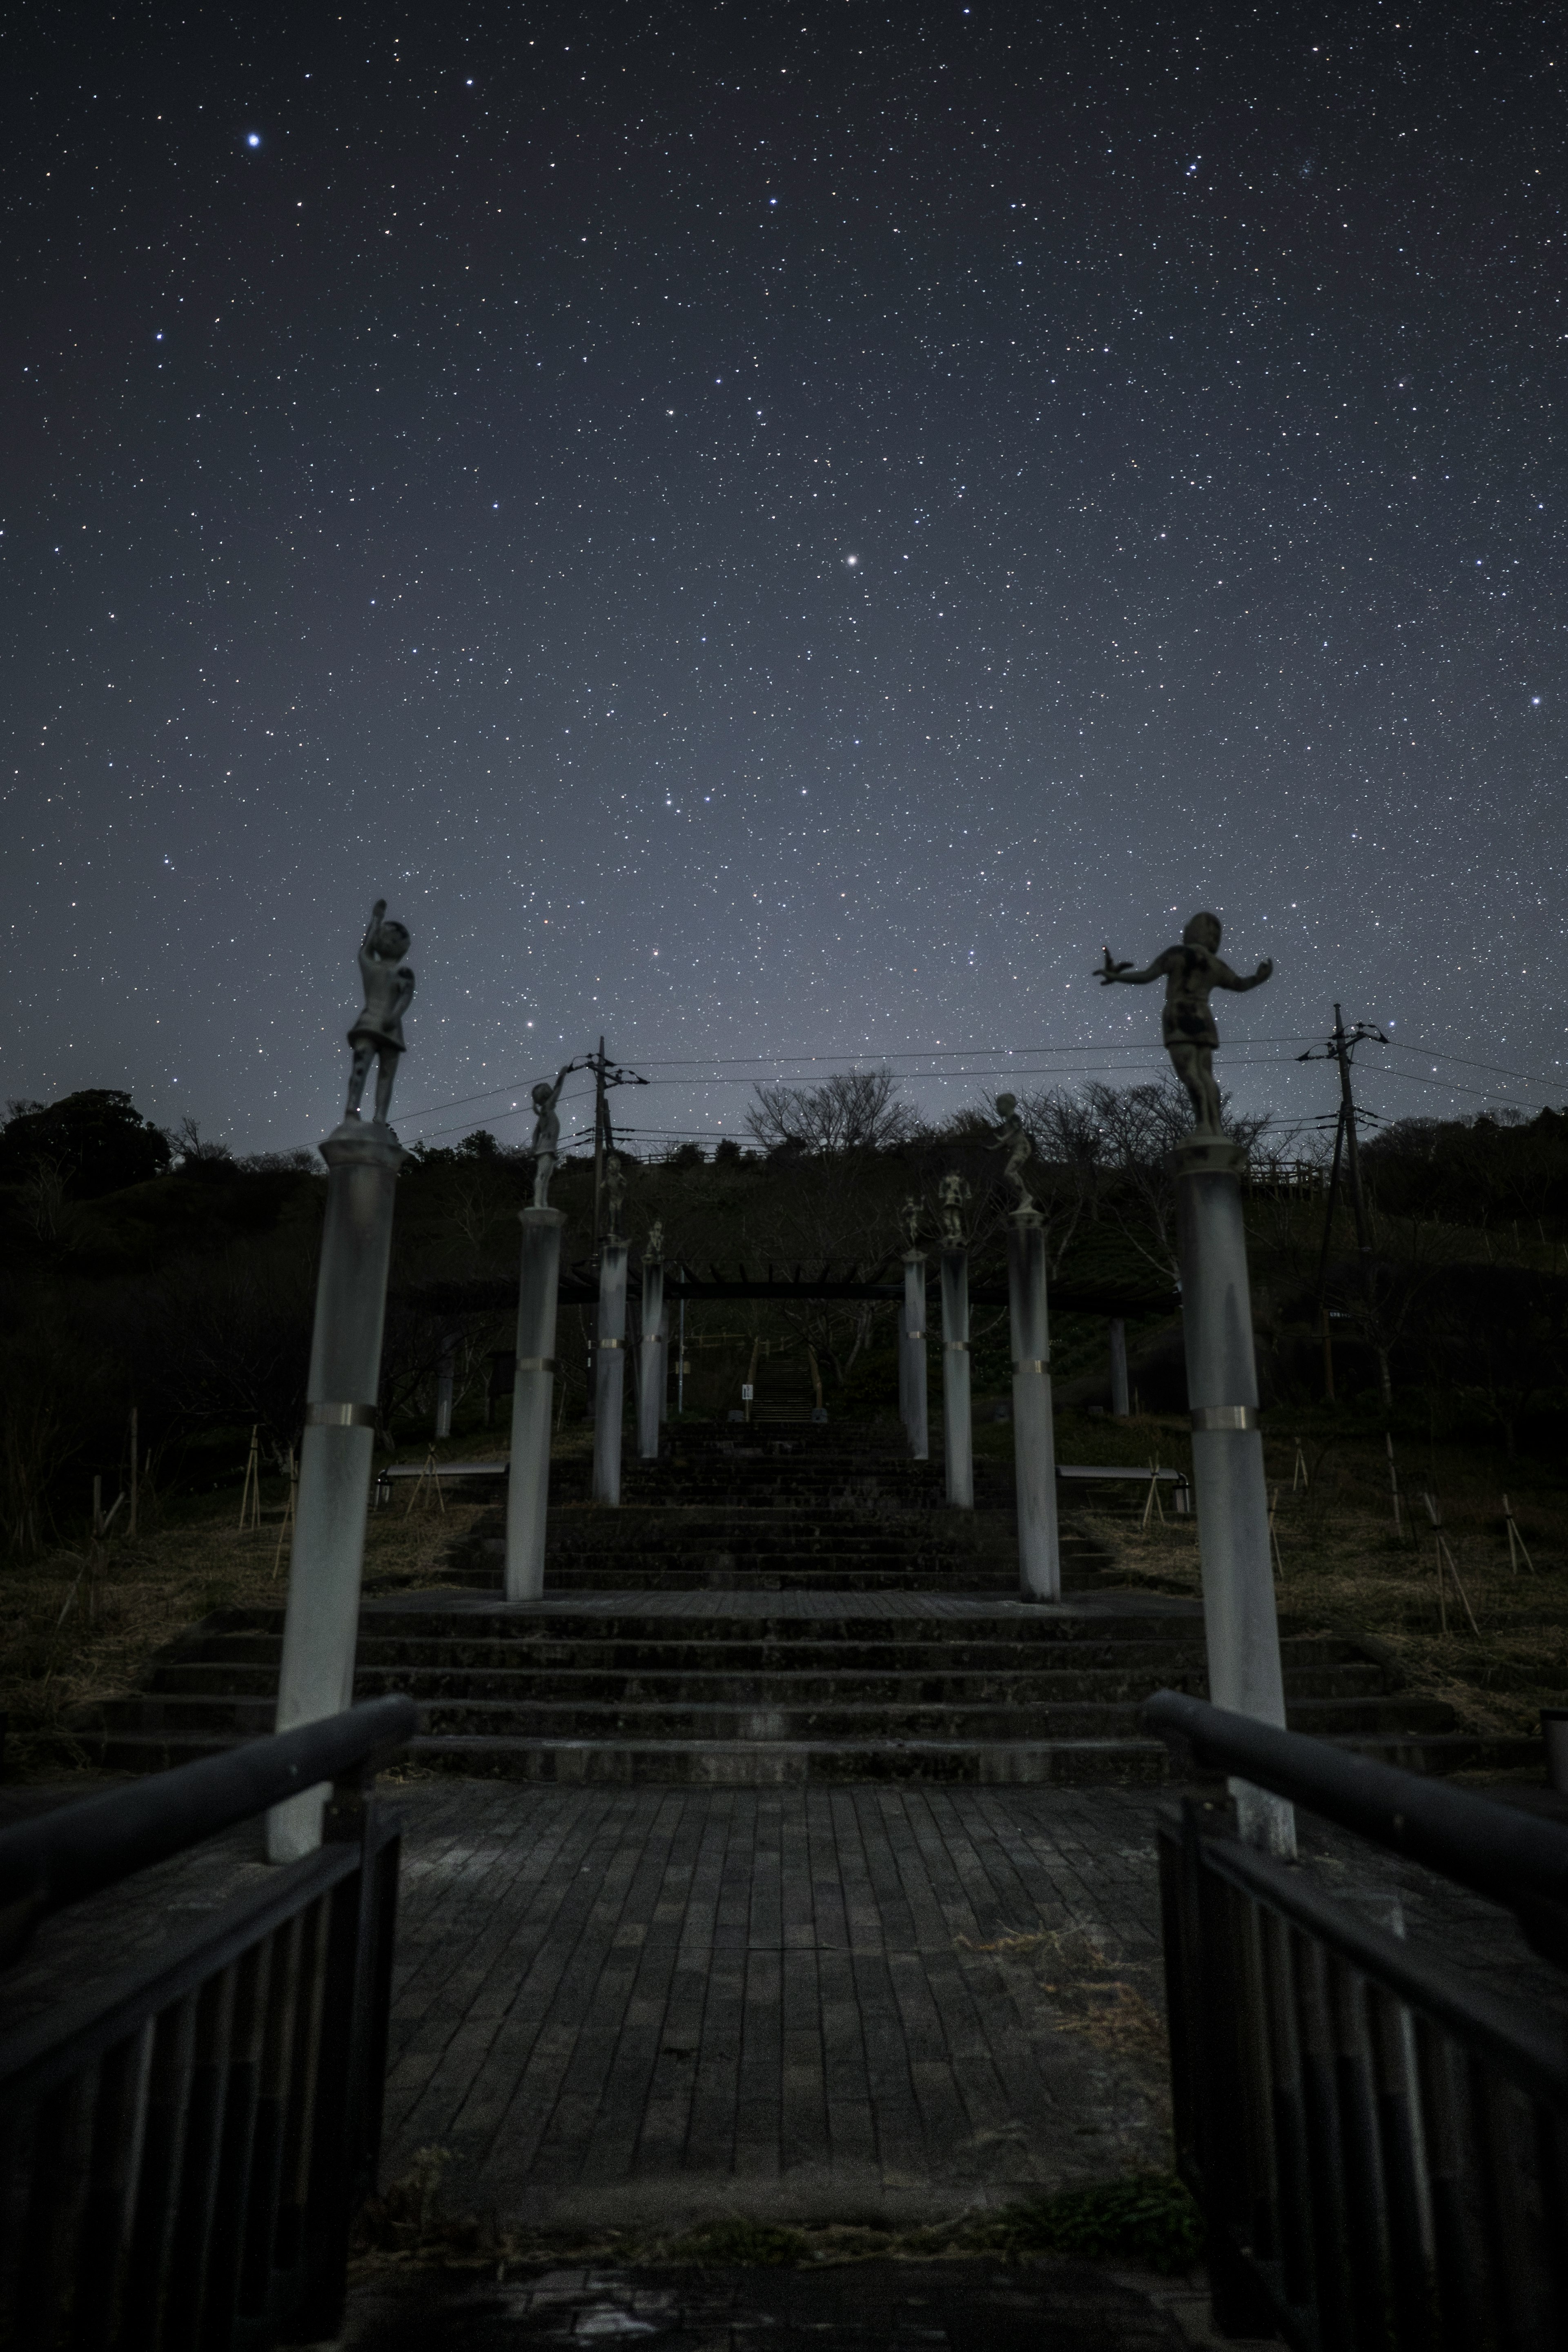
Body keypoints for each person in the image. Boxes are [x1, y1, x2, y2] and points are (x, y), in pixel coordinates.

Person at [1096, 911, 1272, 1132]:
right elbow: (1241, 984)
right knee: (1206, 1075)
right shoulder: (1214, 964)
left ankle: (1203, 1125)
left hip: (1179, 1015)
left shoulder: (1178, 954)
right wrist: (1260, 977)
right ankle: (1216, 1126)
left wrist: (1116, 977)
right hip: (1204, 1019)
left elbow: (1146, 977)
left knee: (1190, 1074)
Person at [345, 902, 414, 1124]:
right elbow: (405, 999)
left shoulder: (371, 966)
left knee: (362, 1069)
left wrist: (376, 920)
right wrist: (393, 1017)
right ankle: (375, 1116)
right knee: (382, 1075)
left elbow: (365, 948)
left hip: (369, 1023)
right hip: (389, 1027)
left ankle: (361, 1112)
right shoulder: (401, 972)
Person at [529, 1065, 574, 1207]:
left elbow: (536, 1131)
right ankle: (538, 1202)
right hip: (546, 1149)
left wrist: (534, 1146)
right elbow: (558, 1090)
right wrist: (562, 1075)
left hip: (548, 1148)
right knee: (542, 1175)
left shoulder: (546, 1112)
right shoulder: (547, 1108)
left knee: (546, 1177)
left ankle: (543, 1202)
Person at [987, 1093, 1038, 1216]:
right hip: (1017, 1149)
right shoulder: (1007, 1125)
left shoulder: (1014, 1118)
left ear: (1007, 1105)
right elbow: (1006, 1142)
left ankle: (1026, 1197)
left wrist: (1003, 1138)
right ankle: (1024, 1198)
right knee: (1011, 1174)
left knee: (1009, 1173)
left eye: (999, 1105)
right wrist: (993, 1148)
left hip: (1022, 1149)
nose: (997, 1108)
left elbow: (1016, 1129)